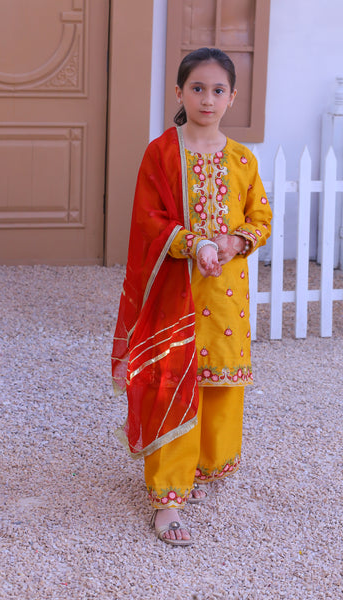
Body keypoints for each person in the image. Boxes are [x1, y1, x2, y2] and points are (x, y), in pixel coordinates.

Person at [112, 47, 272, 546]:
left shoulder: (243, 159)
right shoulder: (161, 153)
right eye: (197, 88)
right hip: (174, 291)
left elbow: (260, 220)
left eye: (218, 90)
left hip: (225, 295)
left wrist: (235, 240)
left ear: (233, 97)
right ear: (179, 92)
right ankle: (168, 499)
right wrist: (194, 242)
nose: (208, 98)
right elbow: (147, 219)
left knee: (218, 384)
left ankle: (203, 468)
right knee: (171, 383)